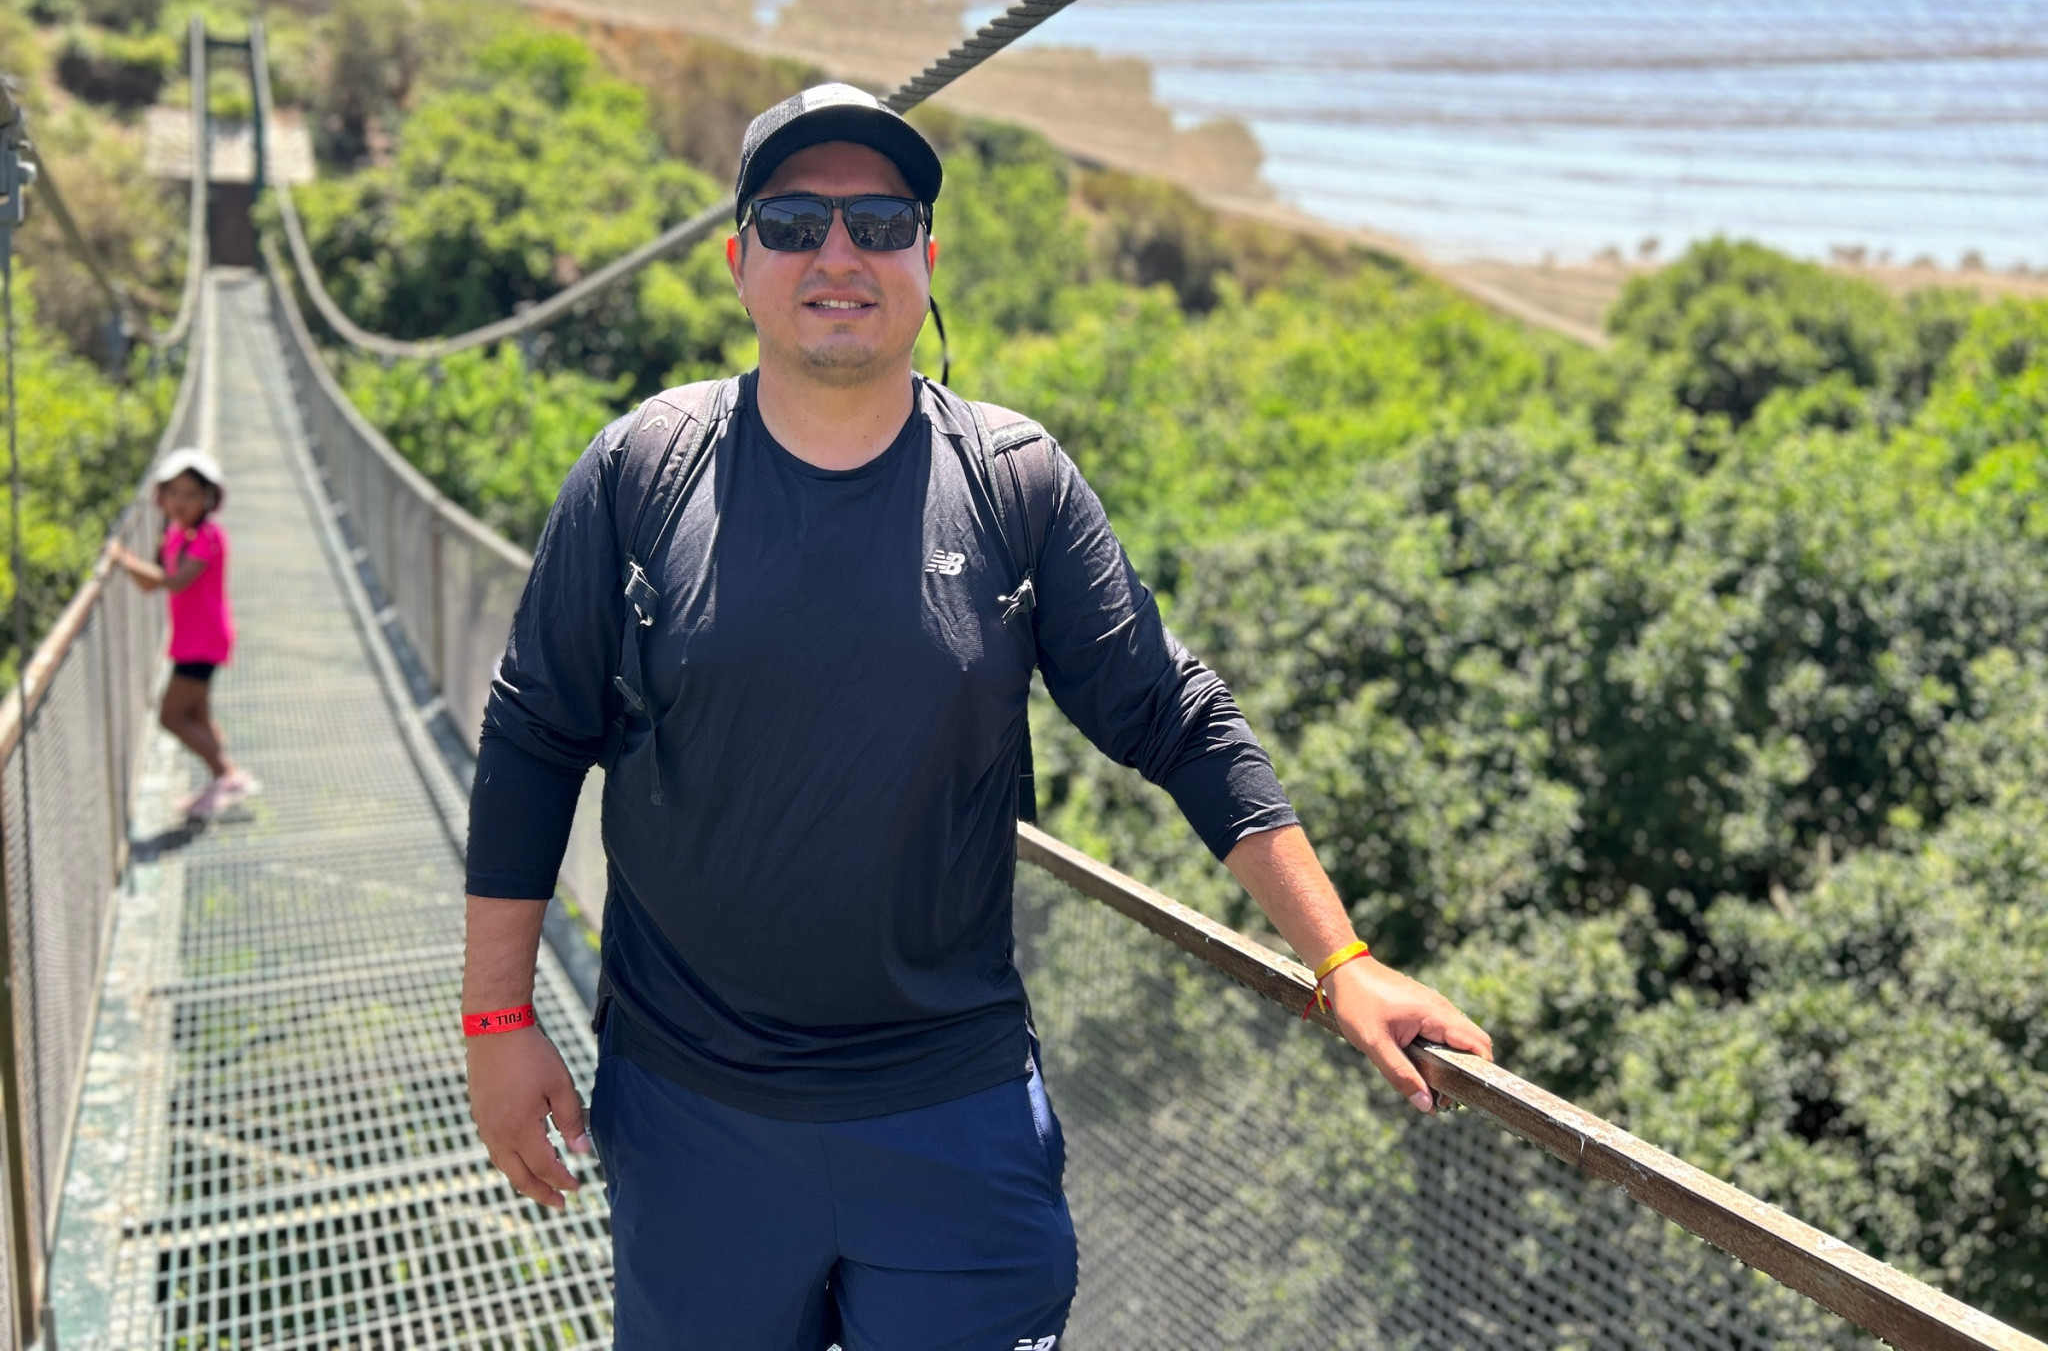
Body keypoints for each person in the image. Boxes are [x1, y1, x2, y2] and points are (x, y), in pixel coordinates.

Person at [463, 83, 1493, 1351]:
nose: (837, 255)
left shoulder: (1014, 484)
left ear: (926, 260)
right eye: (792, 224)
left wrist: (1341, 963)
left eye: (879, 223)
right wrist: (497, 1023)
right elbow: (532, 739)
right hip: (693, 1115)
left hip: (951, 1114)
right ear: (738, 263)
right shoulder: (642, 472)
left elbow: (1173, 716)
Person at [111, 448, 258, 818]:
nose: (180, 501)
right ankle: (223, 778)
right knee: (197, 715)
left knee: (171, 716)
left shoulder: (208, 536)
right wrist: (132, 565)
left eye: (191, 494)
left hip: (203, 641)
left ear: (209, 499)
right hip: (190, 640)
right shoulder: (177, 534)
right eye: (173, 492)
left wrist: (124, 560)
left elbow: (175, 582)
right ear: (161, 495)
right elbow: (152, 584)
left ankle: (228, 776)